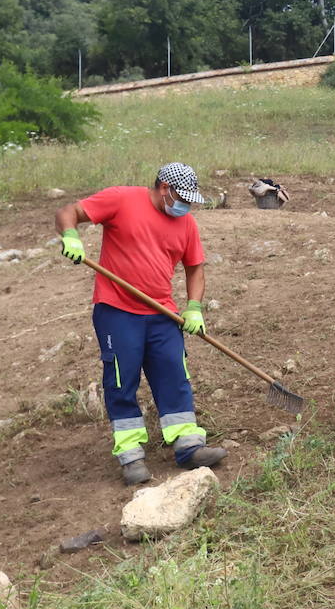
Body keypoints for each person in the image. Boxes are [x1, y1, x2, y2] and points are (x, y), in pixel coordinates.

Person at [55, 163, 228, 485]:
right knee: (122, 379)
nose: (185, 205)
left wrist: (193, 308)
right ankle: (131, 454)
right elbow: (68, 212)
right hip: (117, 310)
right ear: (164, 187)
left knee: (174, 373)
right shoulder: (121, 199)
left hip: (162, 313)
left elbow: (195, 268)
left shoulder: (186, 223)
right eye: (181, 197)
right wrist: (70, 236)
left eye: (190, 200)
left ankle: (189, 444)